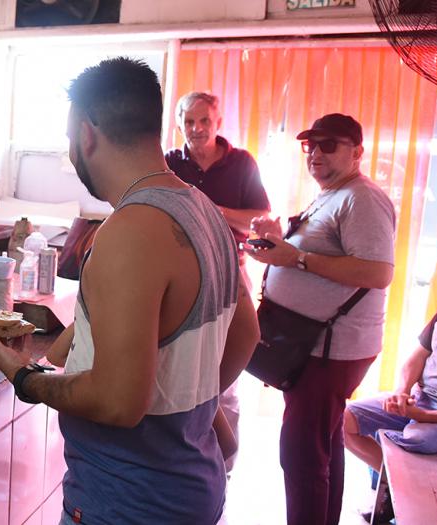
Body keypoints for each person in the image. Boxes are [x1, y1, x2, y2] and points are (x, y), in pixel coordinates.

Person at [0, 57, 259, 524]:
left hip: (129, 502)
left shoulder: (128, 230)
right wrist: (191, 405)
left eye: (71, 140)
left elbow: (118, 402)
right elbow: (246, 332)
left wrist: (25, 380)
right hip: (191, 490)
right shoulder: (204, 210)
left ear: (86, 134)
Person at [246, 113, 396, 525]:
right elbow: (318, 255)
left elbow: (377, 272)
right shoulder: (333, 193)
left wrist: (294, 257)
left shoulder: (361, 197)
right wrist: (280, 242)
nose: (315, 153)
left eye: (329, 145)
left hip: (331, 348)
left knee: (301, 454)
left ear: (357, 153)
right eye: (310, 145)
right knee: (323, 446)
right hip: (315, 346)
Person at [167, 91, 272, 470]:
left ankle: (222, 465)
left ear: (218, 123)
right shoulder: (169, 162)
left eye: (204, 121)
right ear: (179, 123)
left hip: (230, 271)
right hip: (178, 274)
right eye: (189, 121)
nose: (196, 129)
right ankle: (186, 461)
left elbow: (259, 218)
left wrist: (209, 209)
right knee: (179, 363)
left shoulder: (241, 163)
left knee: (227, 367)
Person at [344, 301, 437, 522]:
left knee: (413, 439)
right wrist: (402, 392)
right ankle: (392, 489)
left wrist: (423, 417)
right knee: (343, 420)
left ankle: (401, 502)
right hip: (419, 397)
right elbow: (417, 357)